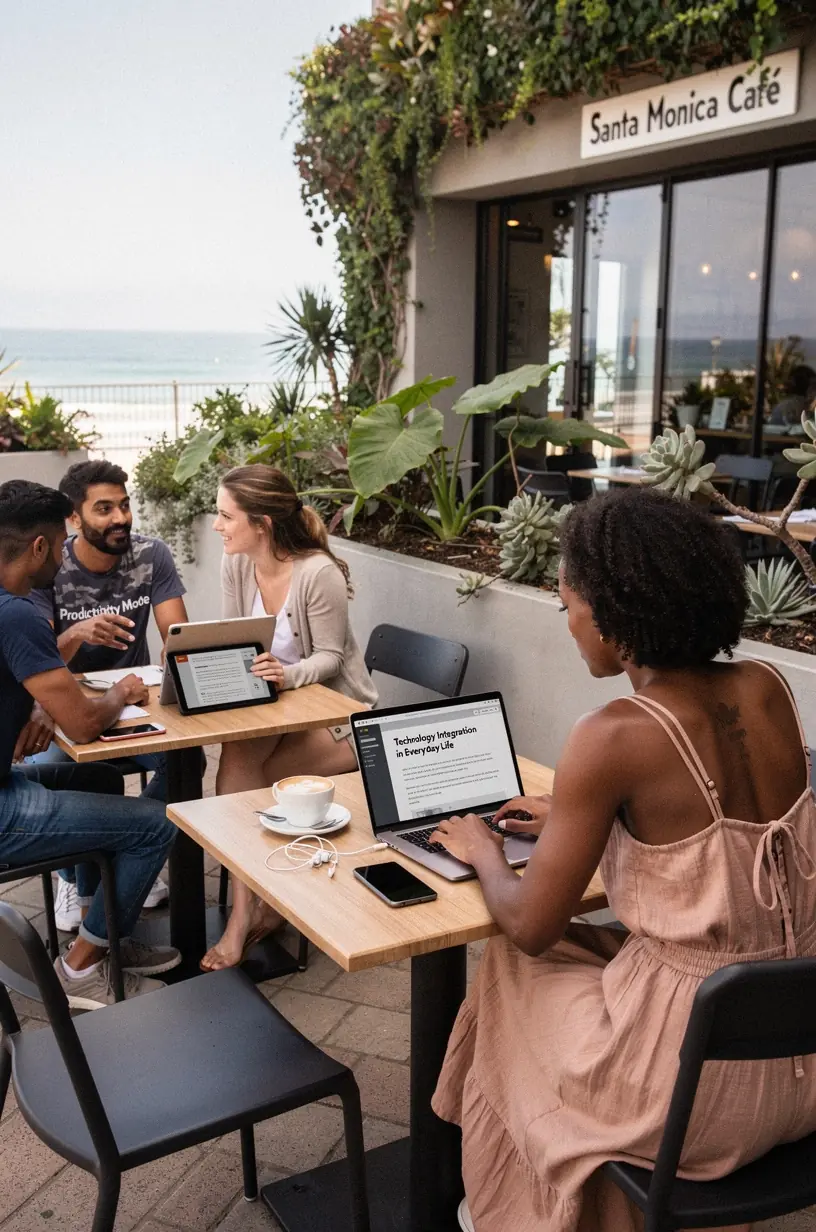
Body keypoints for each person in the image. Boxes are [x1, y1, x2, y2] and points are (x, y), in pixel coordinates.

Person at [430, 486, 816, 1232]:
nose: (568, 622)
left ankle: (517, 1206)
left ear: (615, 614)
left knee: (512, 968)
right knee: (587, 952)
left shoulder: (611, 735)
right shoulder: (769, 687)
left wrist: (484, 852)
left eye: (568, 602)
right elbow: (716, 832)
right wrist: (590, 818)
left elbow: (530, 927)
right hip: (796, 1059)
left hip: (691, 1095)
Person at [0, 480, 179, 1009]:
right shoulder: (16, 613)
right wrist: (122, 691)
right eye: (60, 544)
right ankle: (81, 966)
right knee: (158, 824)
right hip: (4, 810)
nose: (63, 555)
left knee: (97, 776)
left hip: (7, 781)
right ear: (38, 547)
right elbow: (80, 726)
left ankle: (100, 928)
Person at [200, 464, 377, 971]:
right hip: (277, 712)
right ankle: (259, 906)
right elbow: (236, 638)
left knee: (248, 792)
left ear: (263, 524)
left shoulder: (318, 573)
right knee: (236, 767)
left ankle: (252, 914)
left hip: (341, 721)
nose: (217, 525)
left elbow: (331, 658)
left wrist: (286, 675)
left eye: (226, 515)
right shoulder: (236, 564)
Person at [29, 459, 189, 931]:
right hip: (68, 711)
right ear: (73, 518)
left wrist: (179, 659)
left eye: (124, 505)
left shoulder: (152, 554)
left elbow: (177, 633)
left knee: (186, 763)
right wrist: (76, 633)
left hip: (137, 702)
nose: (120, 518)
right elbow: (36, 657)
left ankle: (124, 857)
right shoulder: (50, 566)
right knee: (66, 772)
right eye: (104, 509)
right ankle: (76, 876)